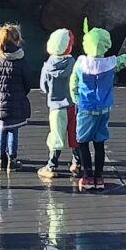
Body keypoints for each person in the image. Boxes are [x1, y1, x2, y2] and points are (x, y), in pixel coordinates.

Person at [69, 24, 126, 193]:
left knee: (82, 142)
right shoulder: (111, 63)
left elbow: (73, 83)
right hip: (104, 109)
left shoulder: (80, 63)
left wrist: (76, 100)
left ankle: (87, 177)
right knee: (99, 143)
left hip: (86, 109)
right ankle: (99, 178)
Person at [0, 23, 37, 174]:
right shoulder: (20, 60)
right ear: (17, 40)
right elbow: (28, 82)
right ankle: (12, 160)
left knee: (1, 131)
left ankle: (1, 160)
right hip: (16, 102)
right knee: (13, 131)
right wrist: (21, 93)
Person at [36, 28, 79, 181]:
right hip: (73, 106)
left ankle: (52, 166)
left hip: (56, 108)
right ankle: (77, 164)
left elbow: (43, 87)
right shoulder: (74, 63)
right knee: (75, 134)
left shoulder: (47, 66)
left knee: (56, 137)